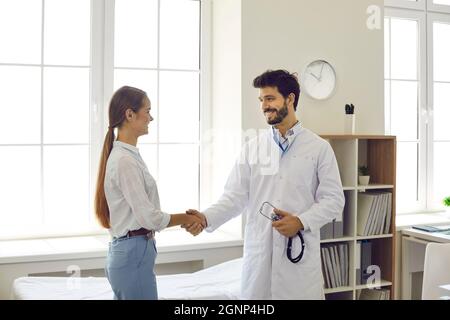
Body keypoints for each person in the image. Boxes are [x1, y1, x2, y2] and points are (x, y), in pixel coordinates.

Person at [184, 70, 345, 299]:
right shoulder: (253, 148)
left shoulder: (319, 148)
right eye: (261, 100)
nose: (263, 106)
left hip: (298, 259)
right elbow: (234, 197)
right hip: (260, 258)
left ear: (290, 99)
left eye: (270, 99)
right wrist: (205, 218)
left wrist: (300, 221)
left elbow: (334, 200)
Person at [94, 86, 204, 300]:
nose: (151, 118)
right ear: (129, 114)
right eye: (147, 111)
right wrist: (188, 218)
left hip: (131, 254)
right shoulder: (124, 160)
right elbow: (149, 217)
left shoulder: (128, 156)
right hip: (132, 254)